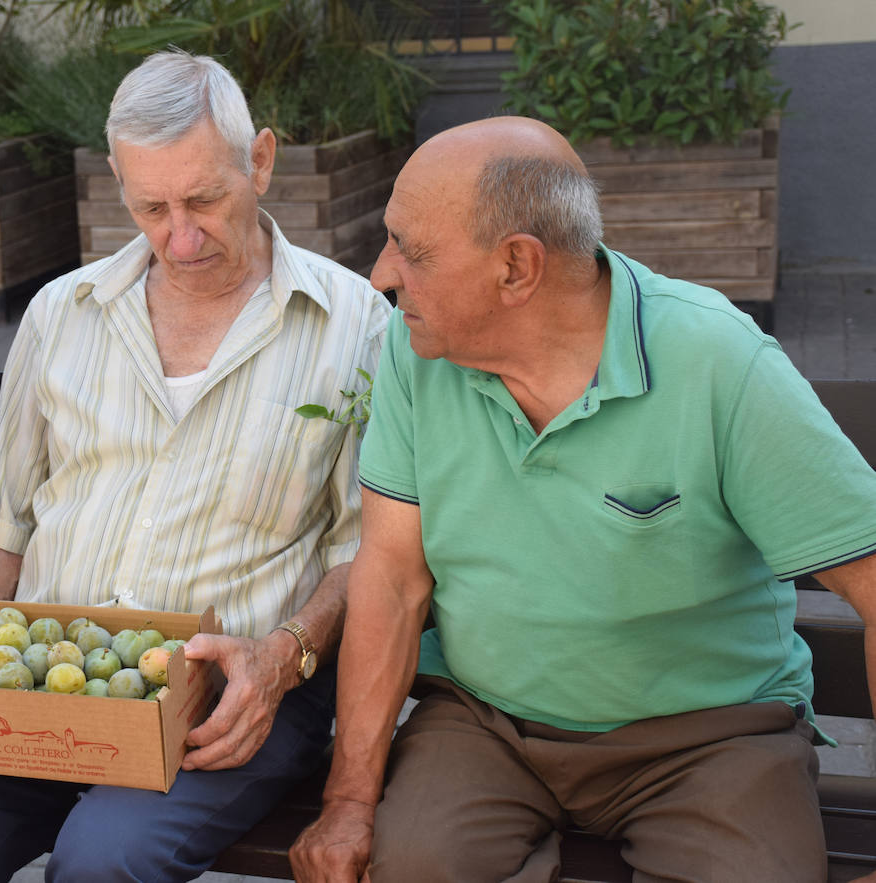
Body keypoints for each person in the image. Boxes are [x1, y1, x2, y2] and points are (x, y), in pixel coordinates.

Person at [0, 50, 392, 882]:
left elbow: (369, 552)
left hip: (228, 694)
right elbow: (11, 529)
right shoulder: (63, 312)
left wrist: (282, 658)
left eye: (204, 199)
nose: (179, 235)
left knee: (106, 859)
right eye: (150, 206)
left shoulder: (355, 326)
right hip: (42, 676)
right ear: (118, 184)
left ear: (263, 160)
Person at [289, 115, 876, 882]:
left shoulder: (719, 362)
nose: (381, 273)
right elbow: (392, 576)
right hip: (488, 723)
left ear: (516, 269)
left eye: (411, 249)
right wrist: (347, 803)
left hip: (709, 737)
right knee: (410, 868)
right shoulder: (418, 347)